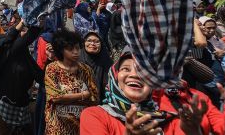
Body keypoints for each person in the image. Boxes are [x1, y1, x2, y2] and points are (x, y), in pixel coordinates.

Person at [80, 50, 210, 135]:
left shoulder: (171, 121)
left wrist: (194, 132)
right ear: (114, 78)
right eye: (126, 69)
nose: (135, 75)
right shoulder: (95, 115)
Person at [0, 18, 43, 134]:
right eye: (22, 30)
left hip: (22, 105)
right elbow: (27, 37)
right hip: (4, 104)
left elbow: (40, 76)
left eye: (26, 31)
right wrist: (38, 23)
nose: (24, 33)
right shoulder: (10, 48)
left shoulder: (26, 55)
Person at [44, 29, 98, 135]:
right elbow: (54, 97)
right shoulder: (52, 69)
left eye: (78, 48)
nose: (76, 52)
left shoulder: (86, 70)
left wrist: (66, 97)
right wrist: (83, 95)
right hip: (57, 126)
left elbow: (94, 97)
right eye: (70, 49)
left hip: (80, 124)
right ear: (61, 50)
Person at [80, 31, 112, 104]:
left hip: (100, 102)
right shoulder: (76, 58)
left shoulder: (106, 61)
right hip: (78, 101)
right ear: (84, 43)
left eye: (96, 41)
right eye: (89, 40)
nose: (92, 44)